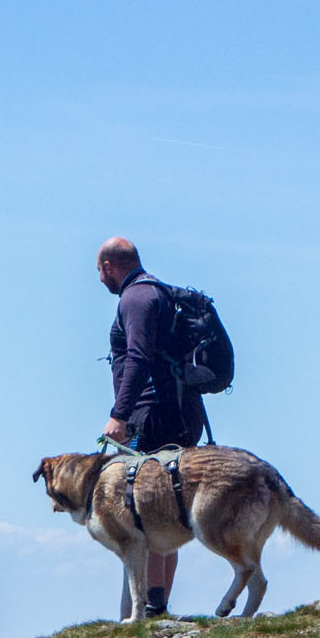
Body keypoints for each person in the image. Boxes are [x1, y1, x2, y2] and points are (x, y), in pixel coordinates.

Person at [97, 236, 205, 617]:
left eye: (99, 271)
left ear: (109, 266)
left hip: (154, 415)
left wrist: (120, 414)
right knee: (167, 510)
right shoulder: (158, 293)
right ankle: (156, 604)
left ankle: (152, 606)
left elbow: (139, 357)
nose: (100, 279)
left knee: (148, 512)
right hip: (180, 412)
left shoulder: (136, 299)